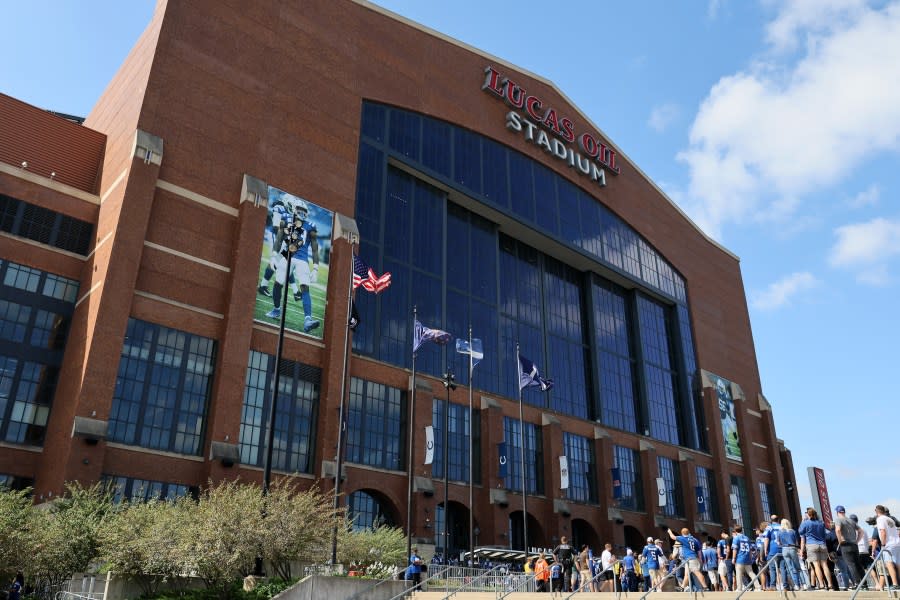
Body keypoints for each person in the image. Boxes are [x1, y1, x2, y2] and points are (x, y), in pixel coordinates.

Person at [262, 197, 321, 333]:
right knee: (278, 283)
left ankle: (308, 320)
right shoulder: (286, 219)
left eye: (304, 211)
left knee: (305, 287)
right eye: (300, 210)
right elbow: (279, 238)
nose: (302, 213)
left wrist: (316, 268)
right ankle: (277, 309)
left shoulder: (311, 226)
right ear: (294, 209)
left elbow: (315, 248)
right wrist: (273, 257)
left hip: (302, 260)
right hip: (286, 256)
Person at [799, 507, 834, 590]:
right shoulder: (821, 523)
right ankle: (830, 584)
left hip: (811, 545)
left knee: (816, 566)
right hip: (822, 545)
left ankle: (821, 584)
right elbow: (824, 535)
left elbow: (800, 532)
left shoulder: (806, 523)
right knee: (825, 565)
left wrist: (803, 521)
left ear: (808, 514)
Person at [668, 527, 709, 591]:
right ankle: (682, 587)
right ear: (689, 532)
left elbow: (672, 537)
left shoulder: (683, 538)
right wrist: (701, 560)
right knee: (686, 575)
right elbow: (699, 551)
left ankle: (705, 587)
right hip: (692, 559)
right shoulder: (695, 540)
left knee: (697, 572)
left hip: (690, 559)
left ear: (682, 533)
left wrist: (669, 531)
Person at [834, 504, 863, 588]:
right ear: (844, 512)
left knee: (851, 564)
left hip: (845, 544)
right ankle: (864, 583)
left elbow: (838, 530)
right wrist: (857, 541)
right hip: (854, 544)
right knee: (858, 564)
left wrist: (840, 541)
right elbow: (861, 531)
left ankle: (857, 583)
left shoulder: (838, 519)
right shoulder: (851, 521)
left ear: (837, 512)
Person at [875, 504, 900, 590]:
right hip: (897, 543)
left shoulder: (880, 519)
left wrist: (883, 544)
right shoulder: (890, 519)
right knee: (898, 564)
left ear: (877, 512)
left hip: (888, 544)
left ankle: (895, 583)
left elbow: (883, 532)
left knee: (889, 564)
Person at [776, 518, 804, 590]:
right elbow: (796, 542)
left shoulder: (779, 532)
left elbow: (778, 543)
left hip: (784, 549)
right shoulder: (792, 531)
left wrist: (782, 544)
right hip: (792, 548)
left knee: (790, 568)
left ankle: (796, 585)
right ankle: (803, 584)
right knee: (797, 567)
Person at [732, 525, 758, 591]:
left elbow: (734, 549)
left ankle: (739, 588)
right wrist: (750, 557)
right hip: (747, 558)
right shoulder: (747, 538)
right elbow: (750, 549)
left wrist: (733, 558)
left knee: (738, 574)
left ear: (735, 531)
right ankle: (758, 586)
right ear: (741, 530)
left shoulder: (736, 538)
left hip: (740, 558)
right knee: (751, 573)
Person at [764, 514, 785, 590]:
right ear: (778, 520)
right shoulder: (782, 527)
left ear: (771, 520)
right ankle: (785, 586)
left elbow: (766, 539)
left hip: (772, 549)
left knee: (772, 568)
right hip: (782, 548)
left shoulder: (769, 527)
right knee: (783, 568)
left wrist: (765, 550)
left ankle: (773, 586)